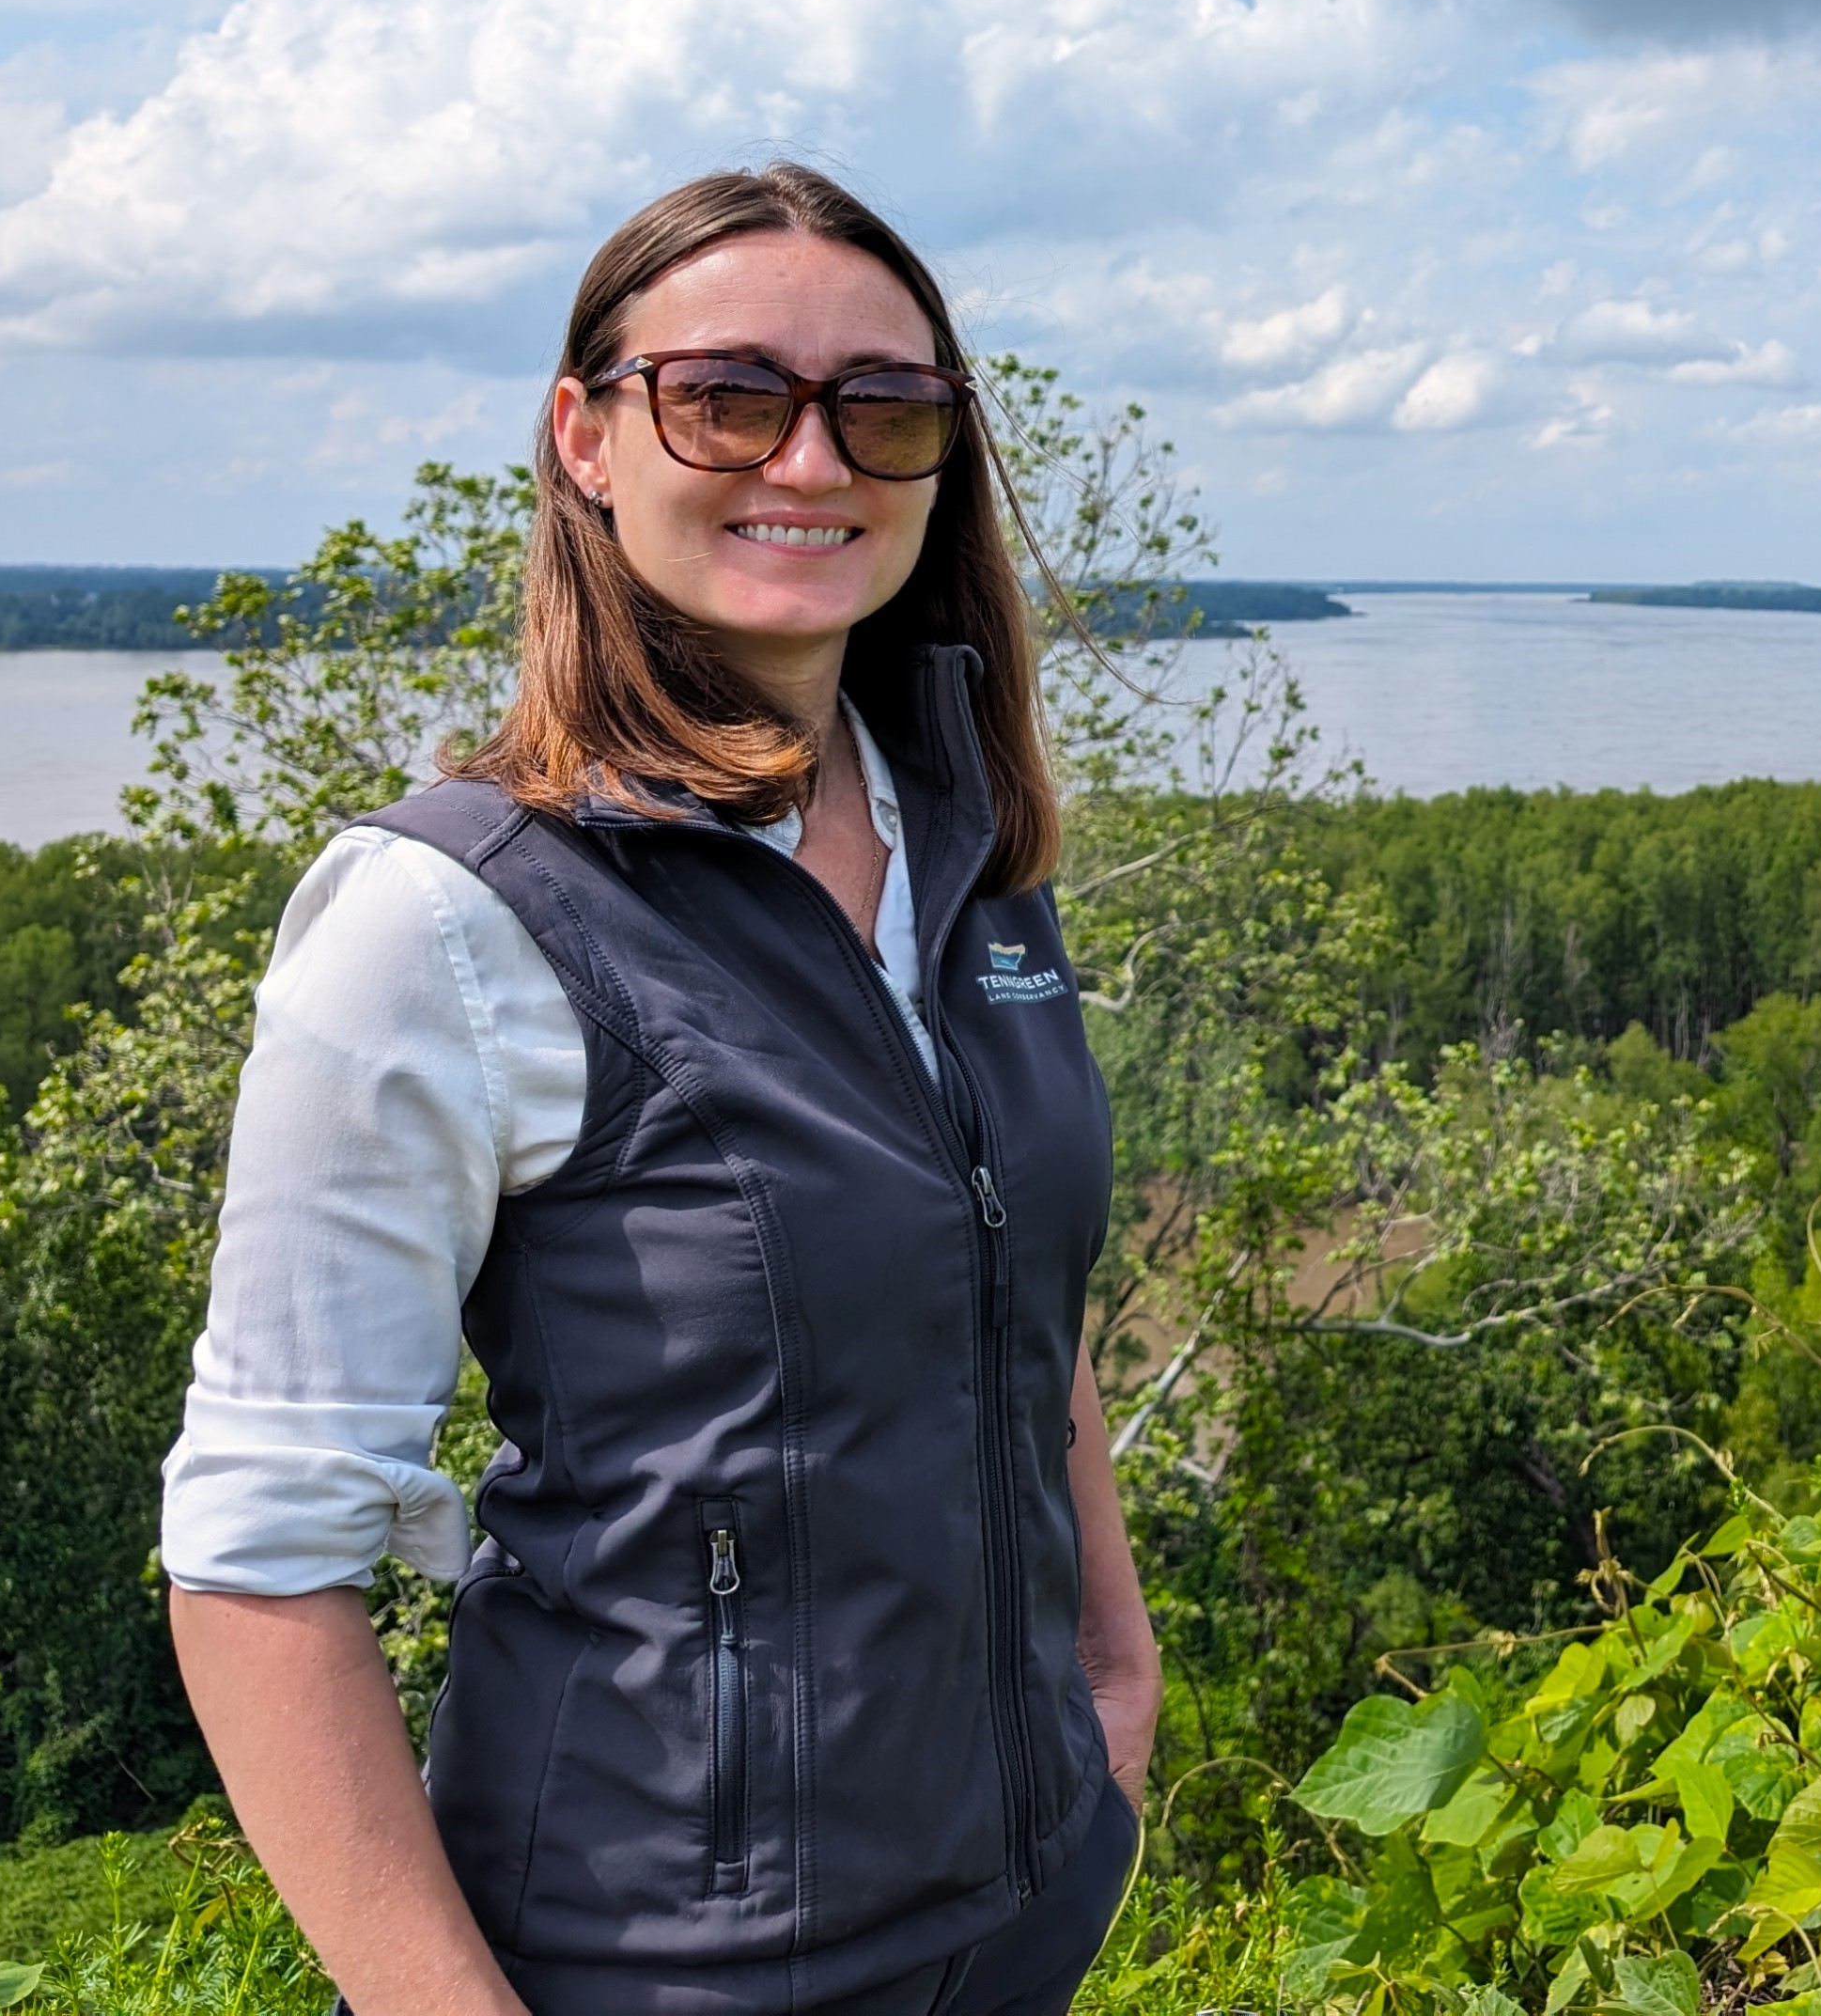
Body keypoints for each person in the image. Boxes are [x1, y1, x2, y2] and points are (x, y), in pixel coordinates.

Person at [163, 164, 1156, 2016]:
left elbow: (1008, 1273)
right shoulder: (447, 921)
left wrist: (1112, 1686)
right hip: (663, 1966)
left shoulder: (966, 855)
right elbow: (255, 1565)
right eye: (725, 396)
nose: (811, 460)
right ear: (587, 437)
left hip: (1020, 1920)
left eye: (884, 407)